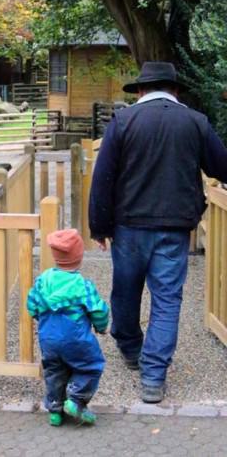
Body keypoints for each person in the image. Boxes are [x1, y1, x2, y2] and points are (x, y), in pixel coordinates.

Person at [89, 61, 227, 403]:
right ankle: (153, 377)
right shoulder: (196, 122)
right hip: (175, 228)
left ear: (140, 90)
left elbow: (103, 176)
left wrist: (99, 226)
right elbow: (222, 167)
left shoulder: (123, 121)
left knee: (125, 291)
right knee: (167, 301)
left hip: (129, 226)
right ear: (175, 89)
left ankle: (132, 348)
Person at [27, 228, 109, 426]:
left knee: (54, 371)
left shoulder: (42, 281)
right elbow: (98, 311)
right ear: (79, 257)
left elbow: (31, 306)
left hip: (48, 338)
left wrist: (43, 319)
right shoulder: (82, 285)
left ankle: (55, 411)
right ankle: (76, 400)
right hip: (76, 338)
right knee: (91, 365)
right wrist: (101, 326)